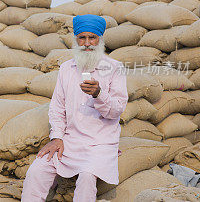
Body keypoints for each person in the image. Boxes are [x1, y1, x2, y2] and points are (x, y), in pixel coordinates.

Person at [21, 14, 128, 202]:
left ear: (100, 40)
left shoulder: (114, 68)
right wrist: (56, 137)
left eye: (92, 37)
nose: (87, 43)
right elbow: (56, 107)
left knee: (87, 177)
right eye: (82, 38)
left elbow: (117, 110)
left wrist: (99, 94)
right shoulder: (66, 68)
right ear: (76, 40)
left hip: (99, 142)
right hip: (69, 140)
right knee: (37, 170)